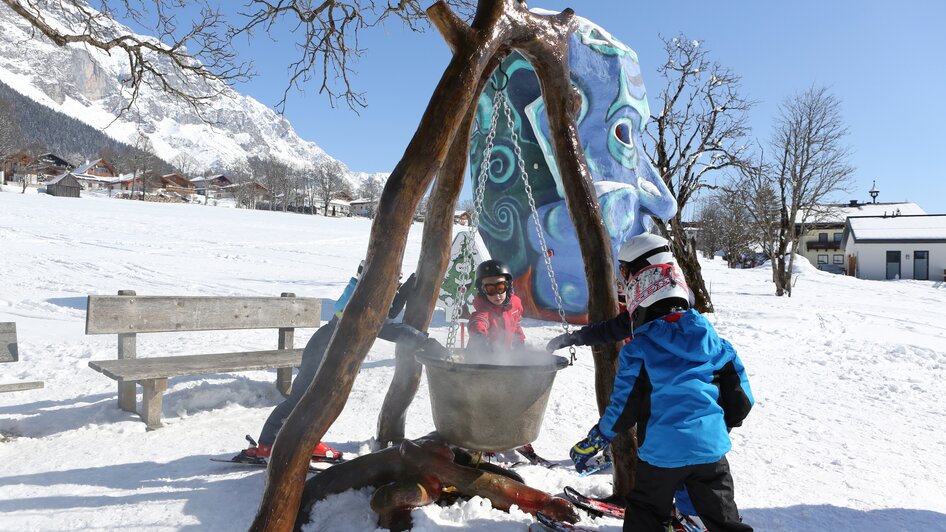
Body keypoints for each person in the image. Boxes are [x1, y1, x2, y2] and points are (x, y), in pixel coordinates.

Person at [567, 233, 754, 531]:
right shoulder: (716, 343)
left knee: (645, 511)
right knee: (723, 519)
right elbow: (742, 398)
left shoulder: (639, 349)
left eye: (625, 272)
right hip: (711, 451)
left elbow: (624, 407)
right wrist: (718, 426)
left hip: (662, 455)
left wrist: (597, 439)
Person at [235, 261, 426, 464]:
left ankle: (309, 441)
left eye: (398, 281)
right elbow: (382, 325)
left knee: (322, 402)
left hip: (336, 350)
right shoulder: (359, 297)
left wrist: (405, 290)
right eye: (393, 280)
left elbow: (387, 312)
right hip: (325, 349)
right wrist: (424, 341)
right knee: (302, 398)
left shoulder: (368, 292)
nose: (395, 285)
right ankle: (268, 444)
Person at [467, 259, 525, 353]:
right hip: (480, 356)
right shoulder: (484, 311)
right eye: (490, 289)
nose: (497, 295)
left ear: (508, 286)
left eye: (500, 288)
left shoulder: (514, 306)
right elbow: (477, 322)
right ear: (483, 291)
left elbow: (515, 324)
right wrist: (479, 338)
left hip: (502, 355)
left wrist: (519, 340)